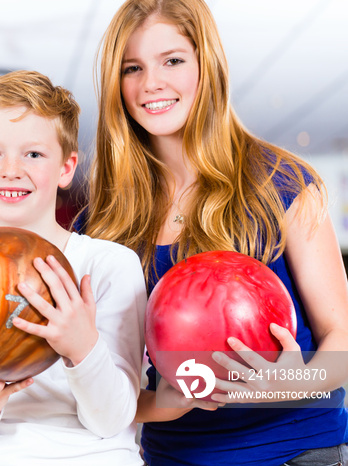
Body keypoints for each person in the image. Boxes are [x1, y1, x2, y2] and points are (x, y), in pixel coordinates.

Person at [80, 0, 348, 464]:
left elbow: (342, 337)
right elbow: (104, 377)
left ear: (207, 66)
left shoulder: (281, 182)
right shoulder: (103, 220)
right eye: (132, 68)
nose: (151, 84)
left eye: (173, 61)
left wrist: (287, 382)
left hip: (296, 451)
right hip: (174, 455)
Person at [0, 70, 148, 465]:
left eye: (33, 154)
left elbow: (113, 420)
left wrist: (82, 347)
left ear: (66, 168)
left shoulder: (109, 265)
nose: (11, 169)